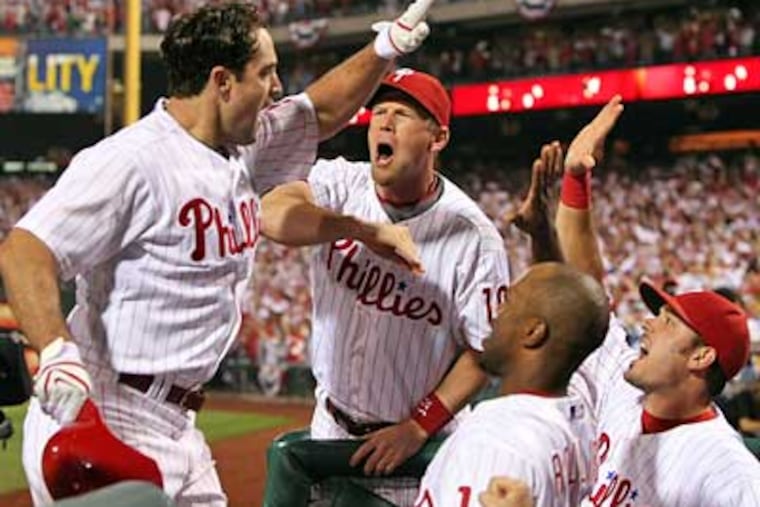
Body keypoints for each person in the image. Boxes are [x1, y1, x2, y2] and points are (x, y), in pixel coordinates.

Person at [0, 1, 436, 504]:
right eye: (266, 73)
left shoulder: (242, 145)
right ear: (222, 81)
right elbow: (25, 248)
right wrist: (55, 351)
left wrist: (387, 46)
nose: (276, 87)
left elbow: (321, 111)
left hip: (178, 424)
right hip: (106, 408)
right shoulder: (131, 161)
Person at [260, 68, 510, 504]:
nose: (384, 122)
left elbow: (486, 350)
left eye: (402, 114)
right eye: (378, 111)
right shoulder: (343, 184)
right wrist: (358, 229)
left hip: (415, 459)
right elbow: (273, 212)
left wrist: (418, 427)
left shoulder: (474, 236)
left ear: (438, 138)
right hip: (330, 429)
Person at [556, 97, 760, 506]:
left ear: (701, 356)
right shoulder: (625, 395)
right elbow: (586, 289)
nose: (647, 324)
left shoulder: (728, 470)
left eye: (668, 321)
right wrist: (575, 181)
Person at [413, 140, 610, 507]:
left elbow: (562, 307)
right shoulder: (576, 415)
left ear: (533, 332)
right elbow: (567, 309)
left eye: (508, 302)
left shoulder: (494, 444)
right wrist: (542, 232)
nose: (494, 312)